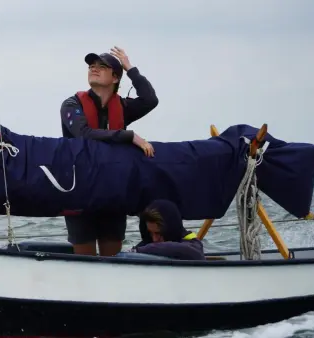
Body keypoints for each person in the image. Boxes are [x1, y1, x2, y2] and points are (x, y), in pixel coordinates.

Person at [60, 46, 159, 256]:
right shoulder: (71, 104)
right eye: (91, 66)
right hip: (80, 191)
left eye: (101, 66)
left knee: (112, 258)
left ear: (115, 78)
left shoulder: (122, 107)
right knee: (85, 260)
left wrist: (130, 68)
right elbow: (83, 134)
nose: (94, 69)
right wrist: (129, 136)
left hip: (112, 191)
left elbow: (150, 100)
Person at [131, 199, 205, 260]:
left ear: (170, 230)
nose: (154, 239)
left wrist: (140, 251)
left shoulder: (193, 245)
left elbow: (193, 253)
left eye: (158, 233)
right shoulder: (149, 243)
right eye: (150, 233)